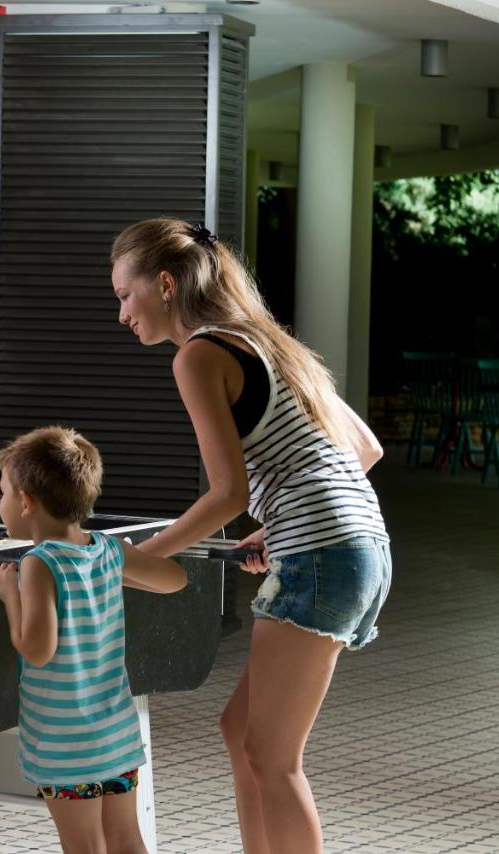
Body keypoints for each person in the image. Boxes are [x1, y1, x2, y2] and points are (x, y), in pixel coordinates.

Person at [110, 219, 391, 854]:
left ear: (165, 283)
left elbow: (227, 495)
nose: (122, 314)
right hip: (357, 546)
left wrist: (136, 558)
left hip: (324, 554)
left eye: (126, 295)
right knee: (241, 733)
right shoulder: (264, 340)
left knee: (272, 756)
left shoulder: (198, 354)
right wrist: (277, 527)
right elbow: (364, 449)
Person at [0, 426, 187, 854]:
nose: (0, 504)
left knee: (85, 846)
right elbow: (175, 579)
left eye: (1, 494)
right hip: (115, 731)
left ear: (26, 502)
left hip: (65, 742)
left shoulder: (39, 563)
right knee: (127, 840)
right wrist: (114, 573)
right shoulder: (109, 551)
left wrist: (9, 595)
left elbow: (37, 649)